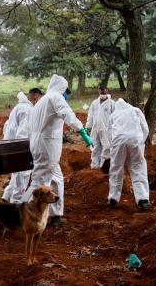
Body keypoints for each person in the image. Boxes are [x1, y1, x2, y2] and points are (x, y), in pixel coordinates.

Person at [22, 74, 93, 226]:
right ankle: (20, 216)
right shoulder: (55, 97)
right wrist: (82, 131)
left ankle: (55, 215)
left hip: (39, 145)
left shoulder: (42, 101)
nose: (66, 96)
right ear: (62, 89)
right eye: (66, 92)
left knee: (57, 179)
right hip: (47, 147)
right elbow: (68, 114)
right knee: (39, 182)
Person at [107, 98, 150, 211]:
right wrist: (140, 142)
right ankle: (143, 200)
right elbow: (145, 129)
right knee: (138, 167)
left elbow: (109, 134)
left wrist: (112, 149)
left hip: (118, 142)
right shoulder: (135, 110)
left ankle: (113, 199)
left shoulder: (113, 115)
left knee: (116, 168)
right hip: (134, 139)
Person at [2, 88, 44, 203]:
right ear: (36, 97)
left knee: (16, 175)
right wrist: (24, 151)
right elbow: (23, 133)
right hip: (20, 147)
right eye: (40, 99)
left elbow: (7, 127)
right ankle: (16, 204)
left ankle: (7, 197)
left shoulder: (20, 106)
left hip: (11, 146)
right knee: (22, 176)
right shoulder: (27, 109)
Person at [85, 86, 115, 169]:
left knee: (106, 147)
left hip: (107, 130)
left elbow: (115, 116)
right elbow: (90, 115)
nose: (103, 94)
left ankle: (103, 165)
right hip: (95, 129)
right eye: (101, 93)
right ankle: (94, 165)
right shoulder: (94, 103)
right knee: (94, 146)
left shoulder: (111, 103)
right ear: (99, 92)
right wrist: (88, 127)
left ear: (107, 91)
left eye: (104, 93)